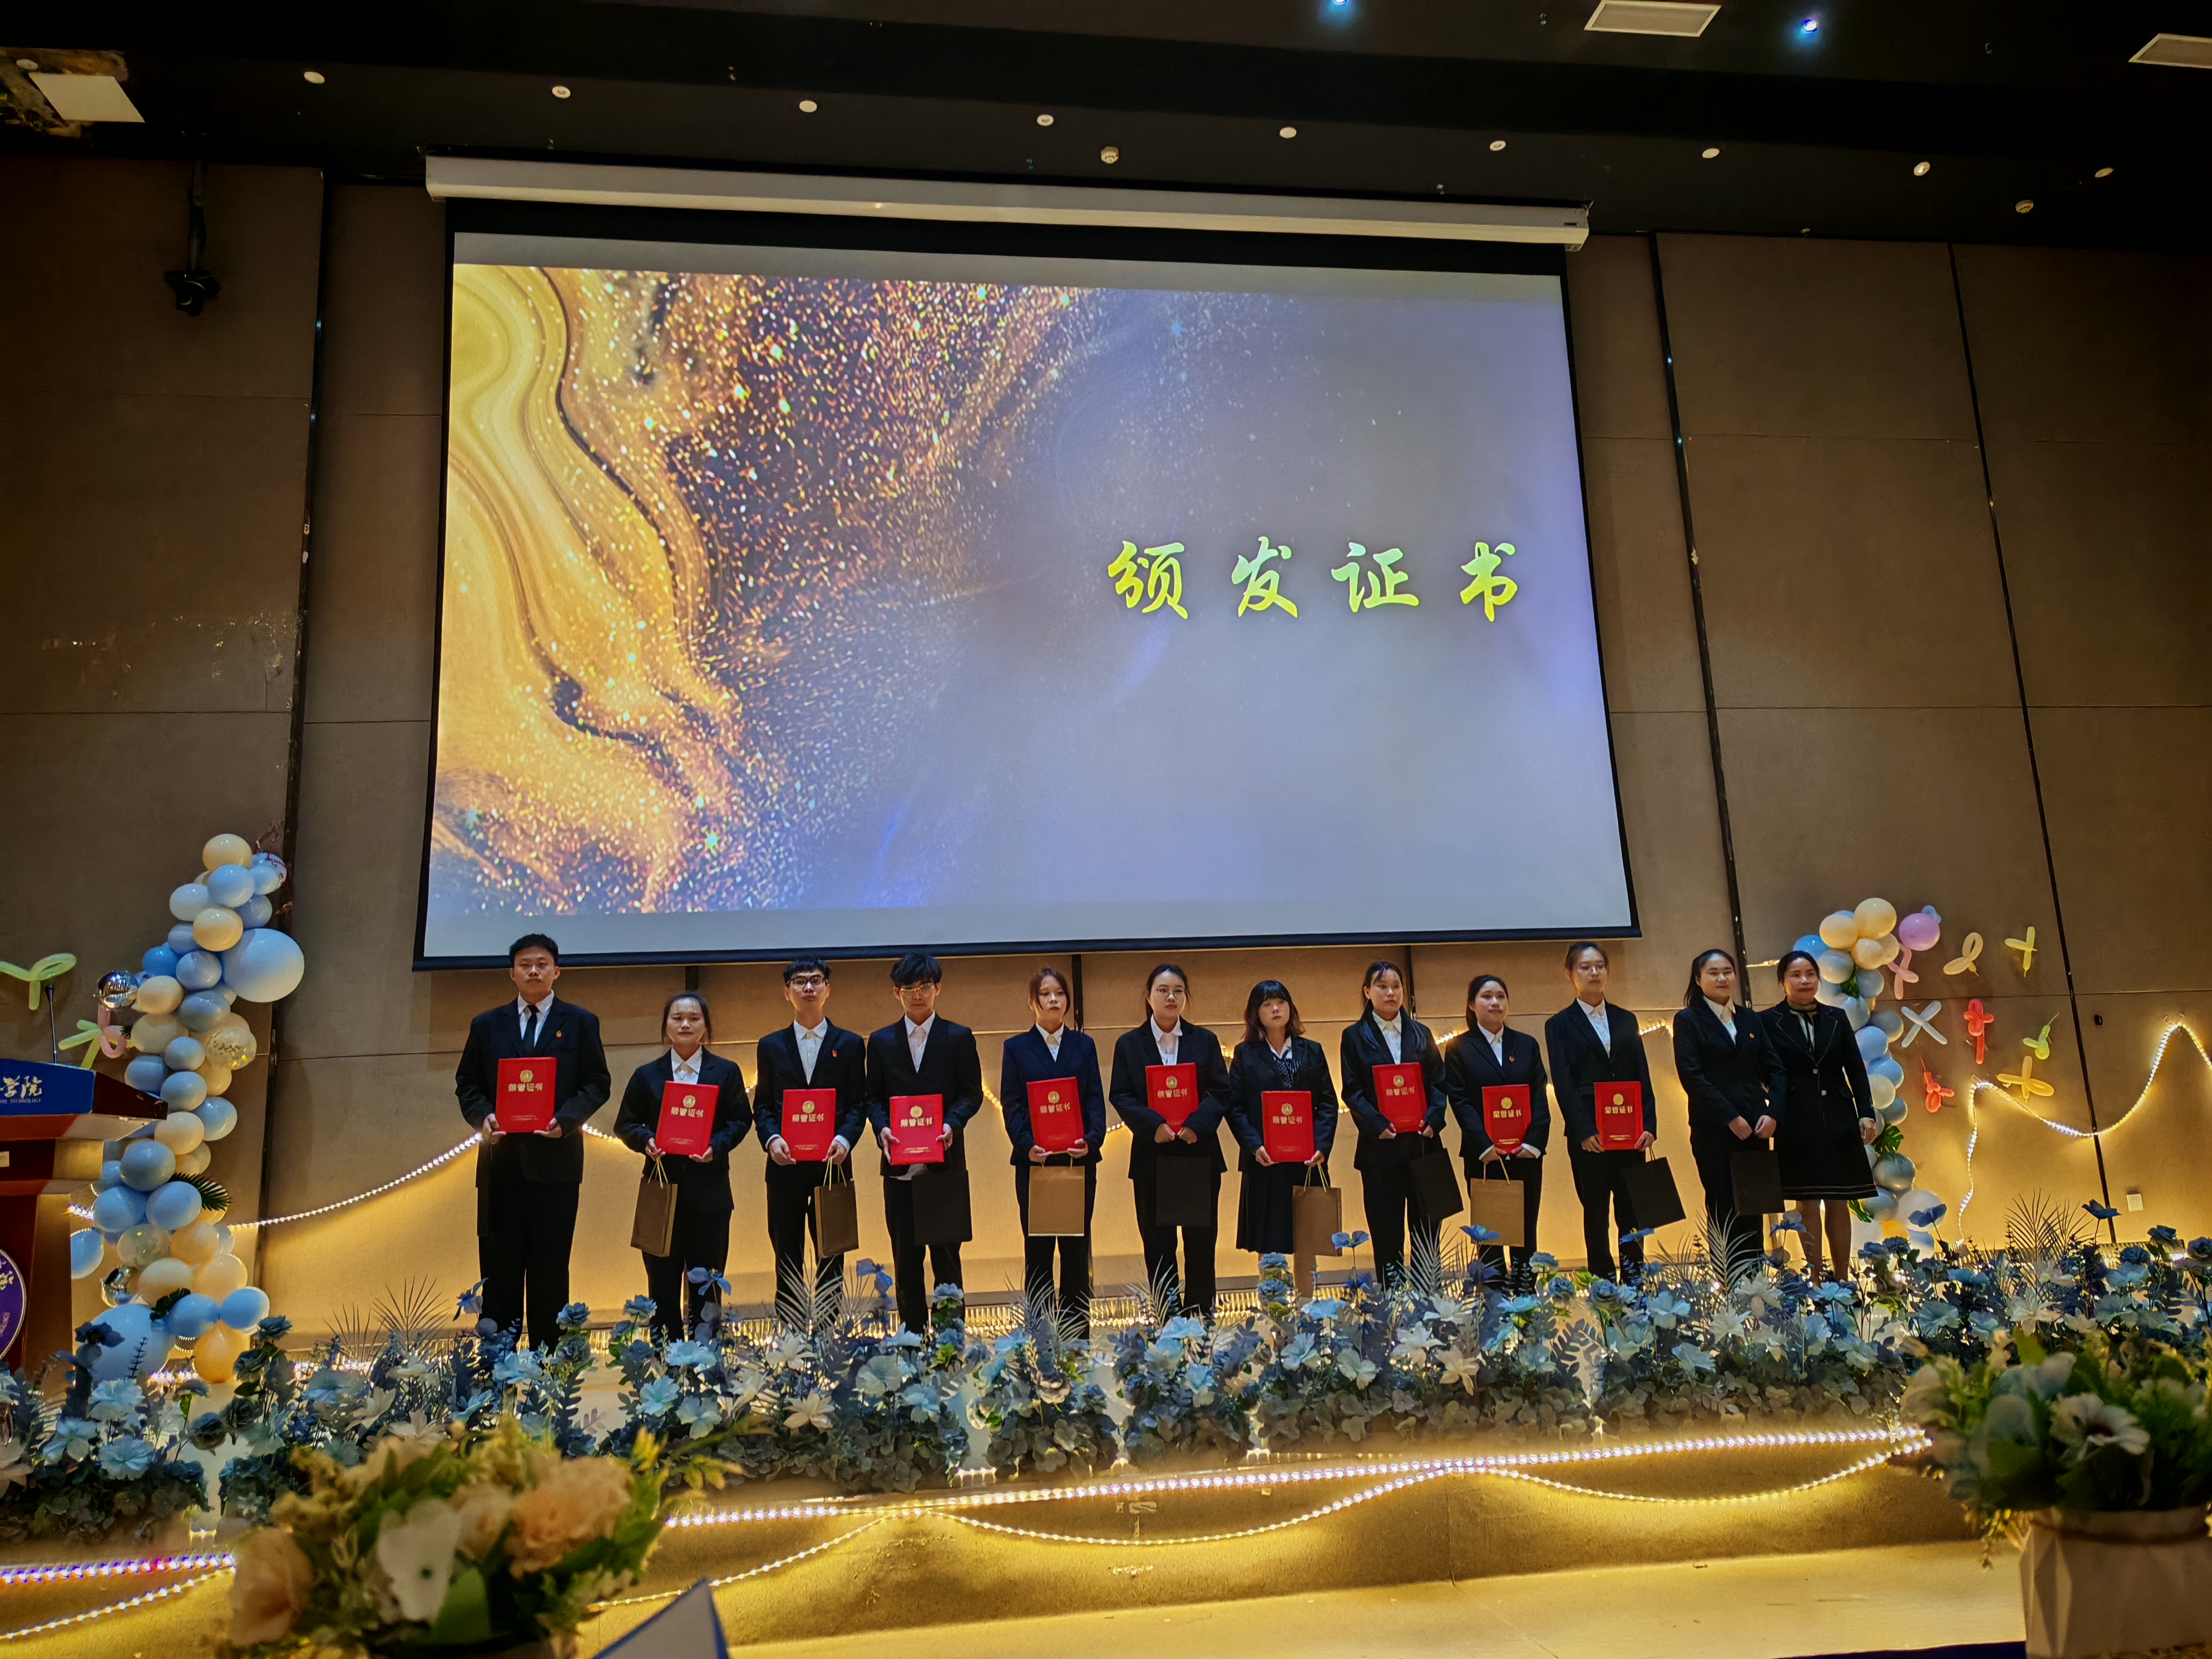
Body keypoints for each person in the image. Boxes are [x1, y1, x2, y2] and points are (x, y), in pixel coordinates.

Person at [453, 933, 611, 1350]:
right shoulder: (487, 1025)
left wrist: (567, 1120)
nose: (534, 971)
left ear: (557, 971)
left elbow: (597, 1084)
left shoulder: (581, 1022)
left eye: (542, 964)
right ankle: (498, 1365)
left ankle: (550, 1363)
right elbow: (468, 1084)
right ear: (513, 974)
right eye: (525, 965)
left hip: (556, 1165)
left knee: (551, 1270)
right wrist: (484, 1118)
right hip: (501, 1165)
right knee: (499, 1271)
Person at [612, 992, 750, 1340]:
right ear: (666, 1026)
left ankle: (706, 1357)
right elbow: (626, 1124)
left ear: (706, 1026)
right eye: (677, 1018)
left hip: (710, 1193)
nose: (686, 1024)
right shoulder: (647, 1075)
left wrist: (715, 1147)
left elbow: (739, 1120)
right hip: (661, 1193)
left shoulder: (726, 1072)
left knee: (708, 1284)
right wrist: (647, 1142)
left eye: (694, 1018)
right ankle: (666, 1356)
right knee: (662, 1283)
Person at [865, 952, 983, 1333]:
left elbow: (971, 1094)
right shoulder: (881, 1041)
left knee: (947, 1261)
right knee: (906, 1262)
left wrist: (952, 1123)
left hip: (944, 1168)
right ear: (896, 992)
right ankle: (913, 1342)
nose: (918, 994)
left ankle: (950, 1343)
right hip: (899, 1170)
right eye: (909, 988)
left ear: (938, 989)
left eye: (925, 986)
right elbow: (873, 1098)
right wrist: (882, 1128)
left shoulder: (959, 1037)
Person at [1108, 963, 1232, 1319]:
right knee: (1158, 1246)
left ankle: (1202, 1320)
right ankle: (1168, 1325)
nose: (1171, 997)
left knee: (1201, 1245)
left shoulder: (1205, 1040)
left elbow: (1220, 1091)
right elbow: (1121, 1095)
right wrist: (1155, 1126)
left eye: (1178, 990)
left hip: (1198, 1154)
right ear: (1148, 997)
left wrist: (1195, 1126)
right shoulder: (1129, 1045)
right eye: (1163, 990)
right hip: (1153, 1157)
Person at [752, 957, 869, 1323]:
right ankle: (790, 1337)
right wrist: (772, 1139)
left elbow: (858, 1105)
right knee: (786, 1255)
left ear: (827, 990)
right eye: (799, 982)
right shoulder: (770, 1046)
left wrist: (845, 1140)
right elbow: (763, 1107)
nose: (808, 988)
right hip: (784, 1168)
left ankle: (830, 1336)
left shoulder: (850, 1044)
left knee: (832, 1254)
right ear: (786, 992)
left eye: (816, 980)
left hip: (832, 1167)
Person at [997, 966, 1108, 1333]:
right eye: (1046, 994)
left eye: (1060, 993)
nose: (1054, 1000)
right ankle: (1041, 1337)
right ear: (1033, 1002)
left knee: (1077, 1251)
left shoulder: (1084, 1045)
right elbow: (1012, 1104)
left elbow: (1094, 1099)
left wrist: (1091, 1139)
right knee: (1038, 1252)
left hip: (1077, 1162)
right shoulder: (1016, 1048)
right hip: (1036, 1164)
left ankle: (1076, 1337)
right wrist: (1026, 1143)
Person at [1762, 950, 1879, 1283]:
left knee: (1839, 1200)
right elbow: (1764, 1071)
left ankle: (1842, 1280)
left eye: (1810, 974)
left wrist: (1866, 1113)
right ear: (1783, 981)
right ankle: (1815, 1281)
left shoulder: (1837, 1017)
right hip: (1795, 1122)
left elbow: (1855, 1069)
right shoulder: (1767, 1021)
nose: (1804, 981)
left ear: (1819, 979)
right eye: (1796, 975)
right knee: (1807, 1202)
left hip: (1839, 1118)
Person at [1543, 941, 1656, 1282]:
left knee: (1631, 1211)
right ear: (1570, 974)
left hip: (1630, 1131)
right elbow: (1563, 1083)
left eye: (1600, 966)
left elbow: (1642, 1074)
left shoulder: (1626, 1019)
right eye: (1585, 967)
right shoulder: (1559, 1024)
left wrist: (1649, 1123)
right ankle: (1603, 1285)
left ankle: (1635, 1281)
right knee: (1595, 1212)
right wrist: (1583, 1130)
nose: (1594, 973)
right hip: (1590, 1134)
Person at [1671, 948, 1783, 1281]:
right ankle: (1729, 1284)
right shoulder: (1688, 1020)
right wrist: (1730, 1118)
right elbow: (1692, 1076)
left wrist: (1773, 1114)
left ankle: (1756, 1284)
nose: (1722, 978)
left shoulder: (1750, 1019)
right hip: (1714, 1129)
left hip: (1757, 1128)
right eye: (1714, 973)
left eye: (1728, 972)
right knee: (1723, 1206)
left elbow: (1775, 1069)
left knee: (1754, 1206)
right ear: (1698, 979)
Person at [1225, 979, 1339, 1297]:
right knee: (1269, 1243)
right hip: (1265, 1161)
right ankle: (1275, 1310)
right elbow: (1235, 1107)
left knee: (1307, 1241)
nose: (1275, 1009)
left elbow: (1328, 1103)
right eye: (1267, 1004)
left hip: (1307, 1161)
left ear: (1290, 1008)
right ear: (1255, 1014)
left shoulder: (1312, 1050)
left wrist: (1321, 1146)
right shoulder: (1245, 1054)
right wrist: (1254, 1145)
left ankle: (1307, 1308)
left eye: (1281, 1002)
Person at [1339, 960, 1447, 1287]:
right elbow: (1352, 1090)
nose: (1391, 993)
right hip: (1380, 1151)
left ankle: (1429, 1302)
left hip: (1424, 1146)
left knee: (1428, 1233)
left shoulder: (1422, 1033)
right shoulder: (1354, 1037)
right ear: (1367, 992)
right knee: (1387, 1234)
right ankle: (1393, 1305)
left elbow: (1439, 1082)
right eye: (1382, 986)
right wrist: (1376, 1124)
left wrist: (1435, 1117)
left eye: (1396, 986)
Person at [1443, 974, 1549, 1289]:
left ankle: (1526, 1298)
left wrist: (1534, 1143)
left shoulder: (1526, 1044)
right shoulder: (1459, 1048)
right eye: (1487, 996)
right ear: (1471, 1004)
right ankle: (1493, 1301)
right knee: (1490, 1234)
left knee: (1525, 1231)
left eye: (1501, 996)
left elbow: (1539, 1095)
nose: (1495, 1003)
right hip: (1485, 1156)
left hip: (1525, 1154)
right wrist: (1484, 1145)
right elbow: (1459, 1100)